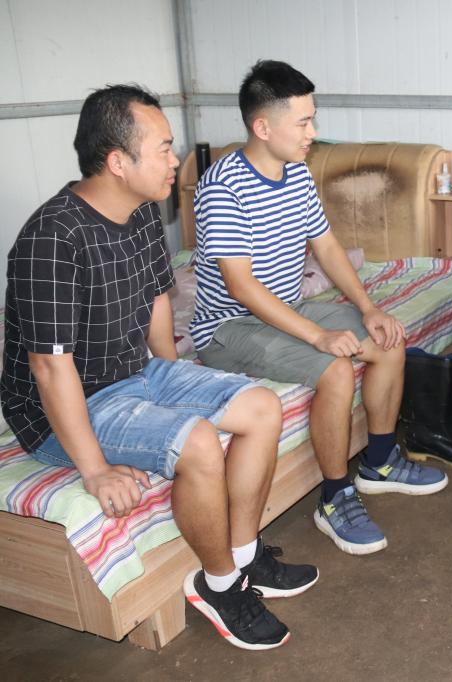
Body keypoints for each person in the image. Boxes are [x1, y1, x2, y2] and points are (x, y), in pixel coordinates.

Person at [1, 85, 316, 650]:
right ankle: (219, 585)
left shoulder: (143, 211)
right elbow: (49, 369)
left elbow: (155, 303)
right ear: (118, 162)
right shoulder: (52, 239)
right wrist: (95, 470)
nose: (177, 160)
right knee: (198, 442)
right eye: (165, 148)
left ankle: (244, 555)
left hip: (136, 372)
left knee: (262, 406)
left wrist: (175, 382)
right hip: (66, 406)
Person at [190, 60, 446, 557]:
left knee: (388, 341)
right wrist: (317, 336)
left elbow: (326, 246)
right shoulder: (223, 187)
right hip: (229, 328)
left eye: (313, 119)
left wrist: (369, 307)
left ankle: (379, 462)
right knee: (335, 368)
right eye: (303, 122)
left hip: (285, 307)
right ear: (263, 127)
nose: (313, 133)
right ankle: (333, 497)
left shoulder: (296, 173)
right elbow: (240, 286)